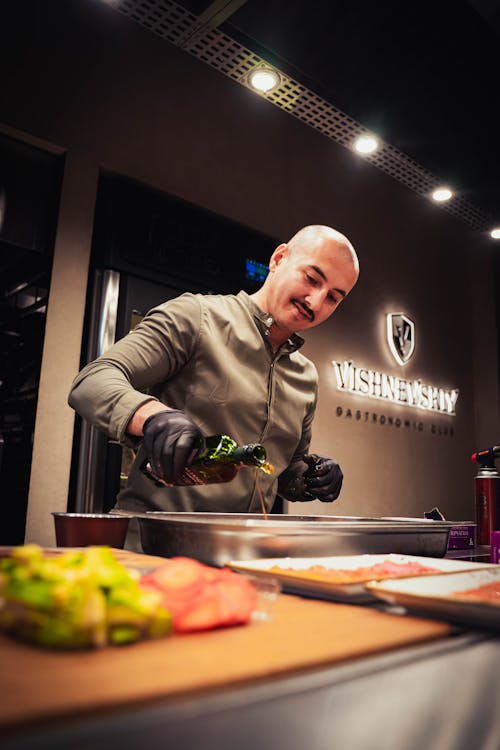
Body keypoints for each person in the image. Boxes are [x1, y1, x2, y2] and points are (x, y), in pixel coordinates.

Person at [68, 224, 359, 540]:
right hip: (154, 544)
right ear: (279, 259)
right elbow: (93, 380)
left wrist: (313, 477)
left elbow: (284, 475)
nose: (315, 302)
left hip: (240, 553)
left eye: (333, 297)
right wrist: (152, 416)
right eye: (312, 279)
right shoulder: (197, 317)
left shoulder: (306, 376)